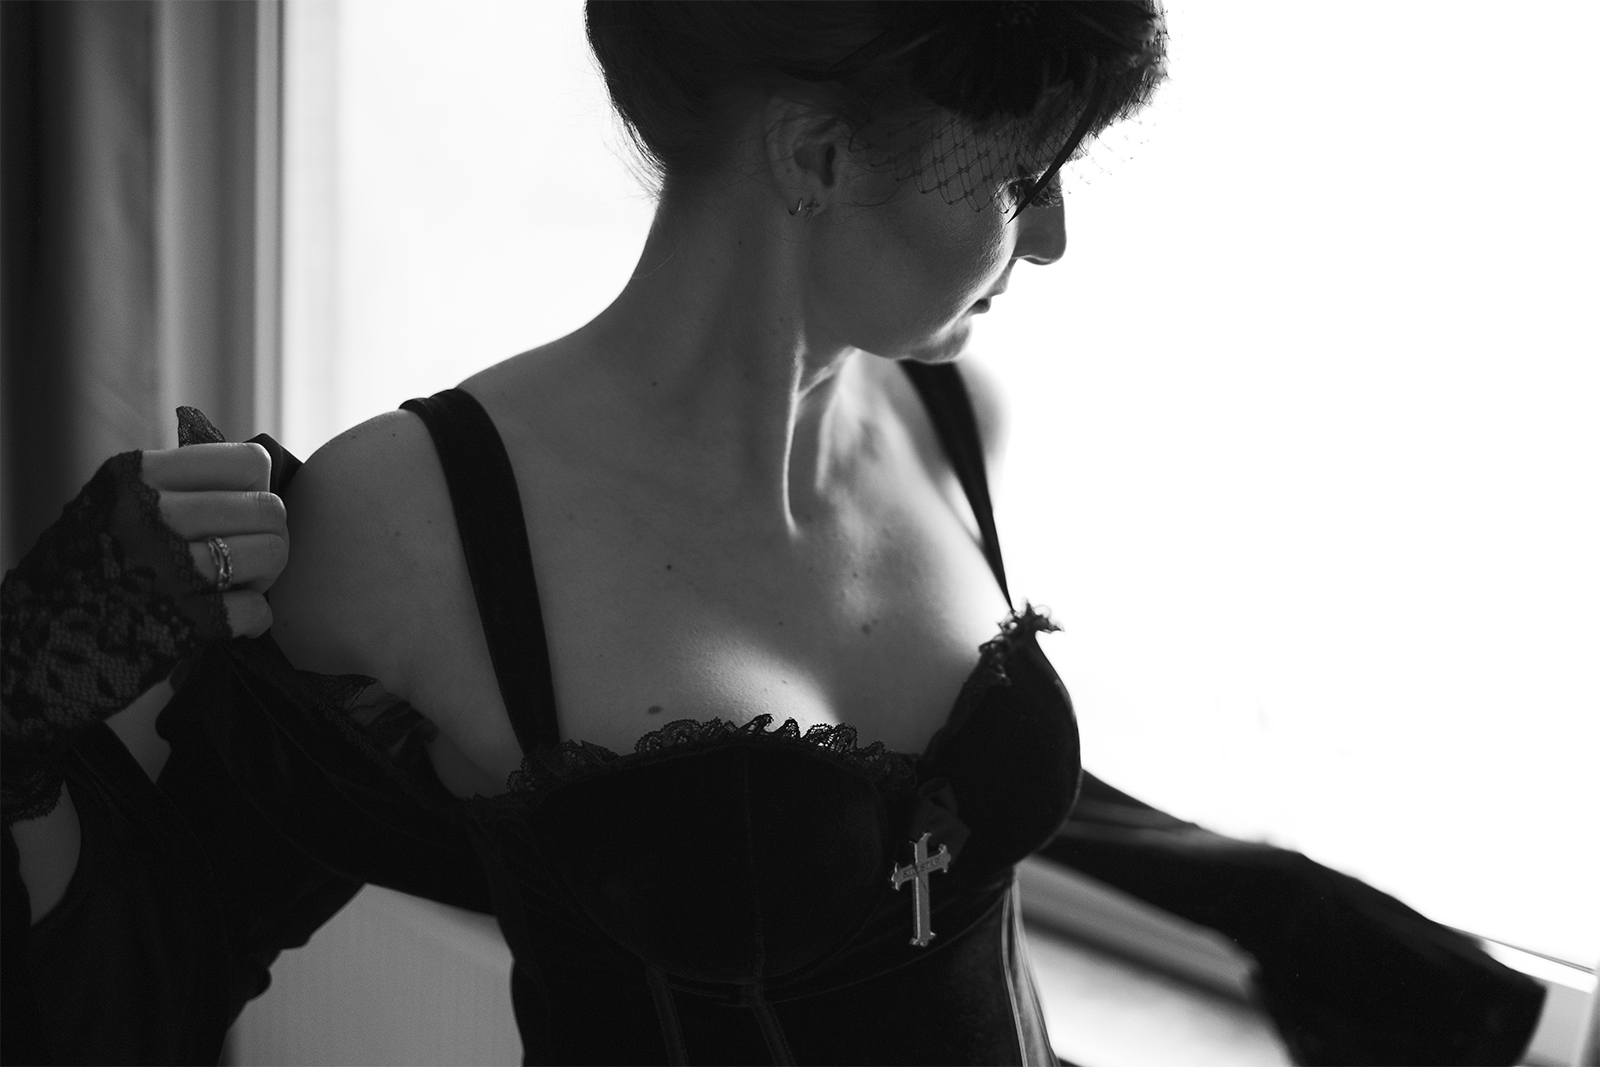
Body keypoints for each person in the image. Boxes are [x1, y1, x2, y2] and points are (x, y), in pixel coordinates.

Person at [1, 4, 1546, 1065]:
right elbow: (145, 975)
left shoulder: (949, 419)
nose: (1056, 235)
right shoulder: (414, 525)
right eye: (1024, 176)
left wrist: (1289, 909)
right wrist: (25, 686)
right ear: (815, 156)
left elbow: (929, 823)